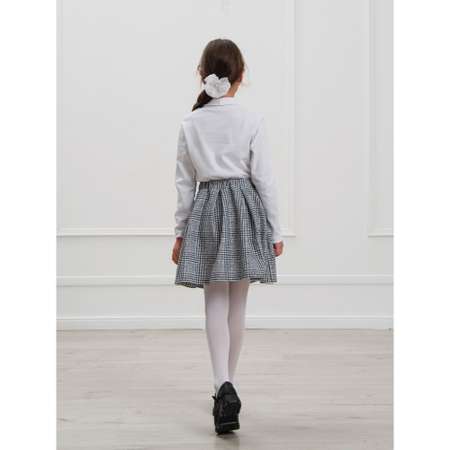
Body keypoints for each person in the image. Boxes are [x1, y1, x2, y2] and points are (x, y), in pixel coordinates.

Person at [172, 38, 284, 434]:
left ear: (201, 74)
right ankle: (227, 386)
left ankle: (223, 385)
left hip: (207, 210)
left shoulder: (191, 122)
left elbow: (184, 184)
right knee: (238, 303)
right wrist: (274, 229)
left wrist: (180, 232)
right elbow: (264, 179)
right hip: (245, 209)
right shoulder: (252, 119)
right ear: (241, 75)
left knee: (214, 302)